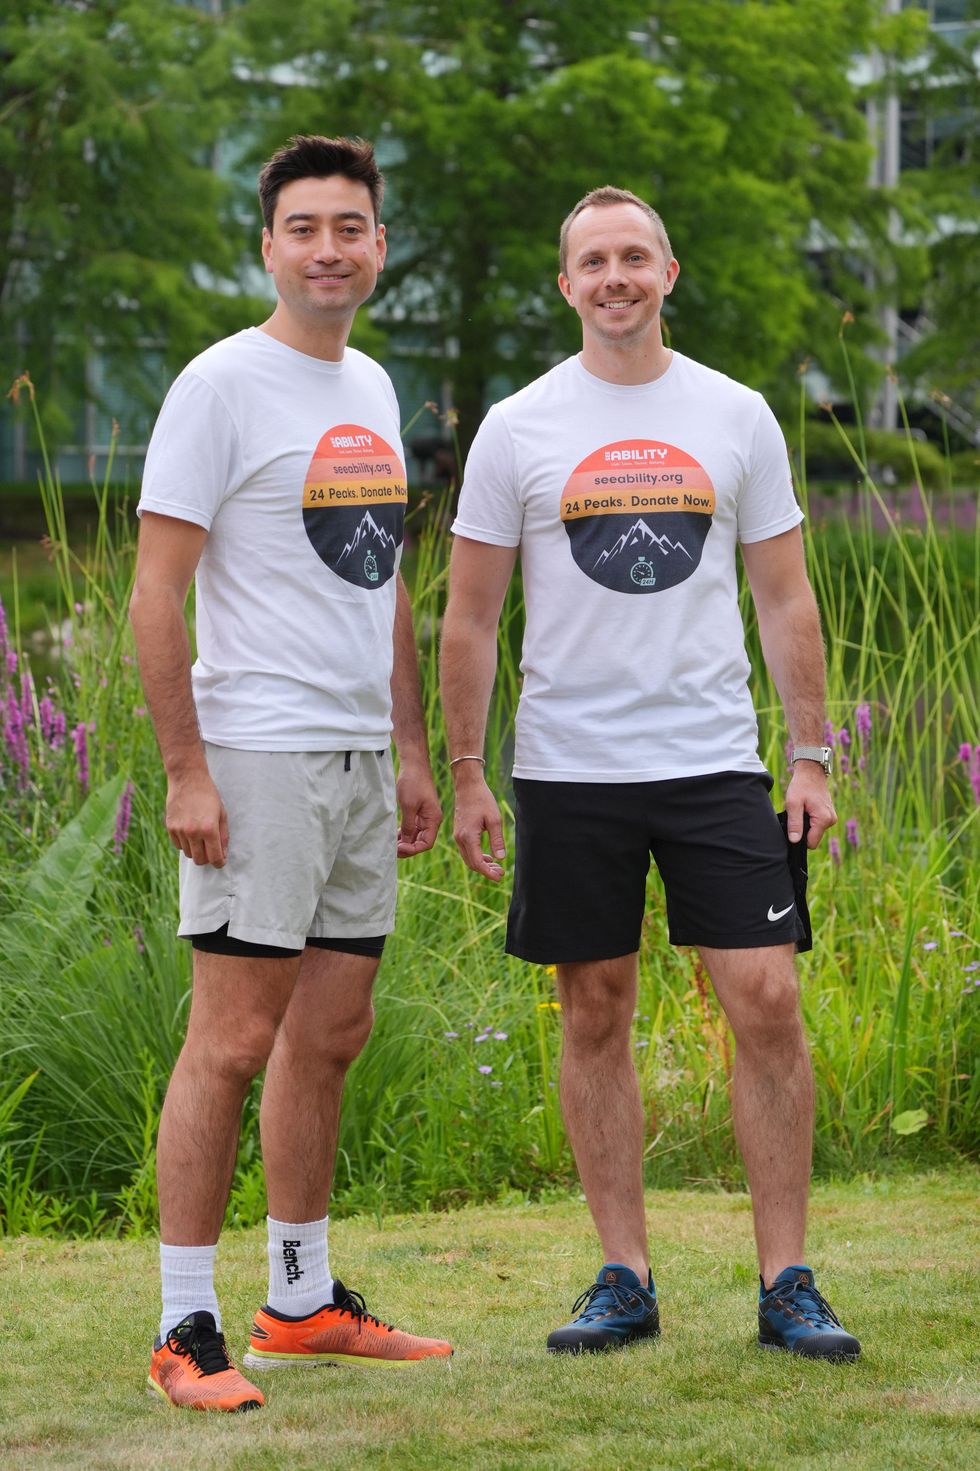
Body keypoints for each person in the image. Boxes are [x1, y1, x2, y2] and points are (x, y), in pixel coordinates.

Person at [440, 186, 860, 1362]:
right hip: (569, 771)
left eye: (634, 256)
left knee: (765, 1001)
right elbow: (470, 619)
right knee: (594, 1009)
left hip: (712, 761)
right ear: (564, 283)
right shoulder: (518, 426)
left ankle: (787, 1281)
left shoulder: (733, 414)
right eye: (592, 260)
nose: (614, 276)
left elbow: (783, 595)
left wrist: (811, 751)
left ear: (668, 272)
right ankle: (622, 1274)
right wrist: (469, 770)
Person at [131, 135, 452, 1414]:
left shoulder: (370, 385)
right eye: (304, 226)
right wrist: (184, 770)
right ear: (267, 245)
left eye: (352, 227)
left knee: (331, 1032)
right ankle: (180, 1325)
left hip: (357, 760)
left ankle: (301, 1302)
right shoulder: (219, 385)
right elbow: (155, 591)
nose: (330, 247)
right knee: (232, 1040)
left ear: (378, 247)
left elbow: (379, 583)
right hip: (253, 756)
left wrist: (414, 751)